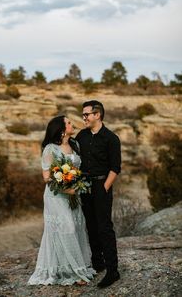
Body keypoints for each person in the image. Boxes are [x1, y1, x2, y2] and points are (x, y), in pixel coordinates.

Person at [28, 115, 96, 286]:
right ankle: (73, 271)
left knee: (77, 226)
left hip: (74, 195)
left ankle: (76, 267)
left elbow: (78, 170)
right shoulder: (50, 149)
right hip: (57, 196)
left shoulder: (75, 145)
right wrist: (66, 186)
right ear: (61, 129)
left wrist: (77, 185)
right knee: (68, 228)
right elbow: (46, 177)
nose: (72, 125)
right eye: (69, 123)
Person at [75, 100, 121, 288]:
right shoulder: (82, 136)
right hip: (84, 185)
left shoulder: (111, 138)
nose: (83, 118)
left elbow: (115, 167)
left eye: (86, 114)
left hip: (102, 184)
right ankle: (98, 263)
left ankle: (113, 271)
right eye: (83, 115)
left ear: (97, 115)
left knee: (104, 227)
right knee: (91, 225)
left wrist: (104, 188)